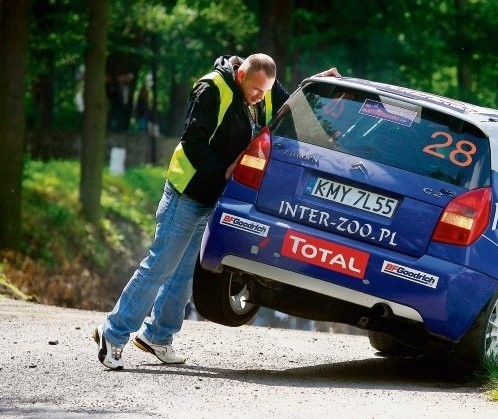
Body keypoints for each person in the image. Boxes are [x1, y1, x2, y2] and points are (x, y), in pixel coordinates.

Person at [93, 53, 341, 370]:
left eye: (264, 91)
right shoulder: (211, 89)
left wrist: (315, 86)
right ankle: (112, 334)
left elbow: (292, 109)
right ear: (241, 76)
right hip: (188, 192)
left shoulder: (264, 88)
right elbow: (193, 142)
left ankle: (158, 336)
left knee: (183, 274)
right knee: (160, 267)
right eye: (255, 90)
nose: (259, 97)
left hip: (213, 198)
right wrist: (226, 173)